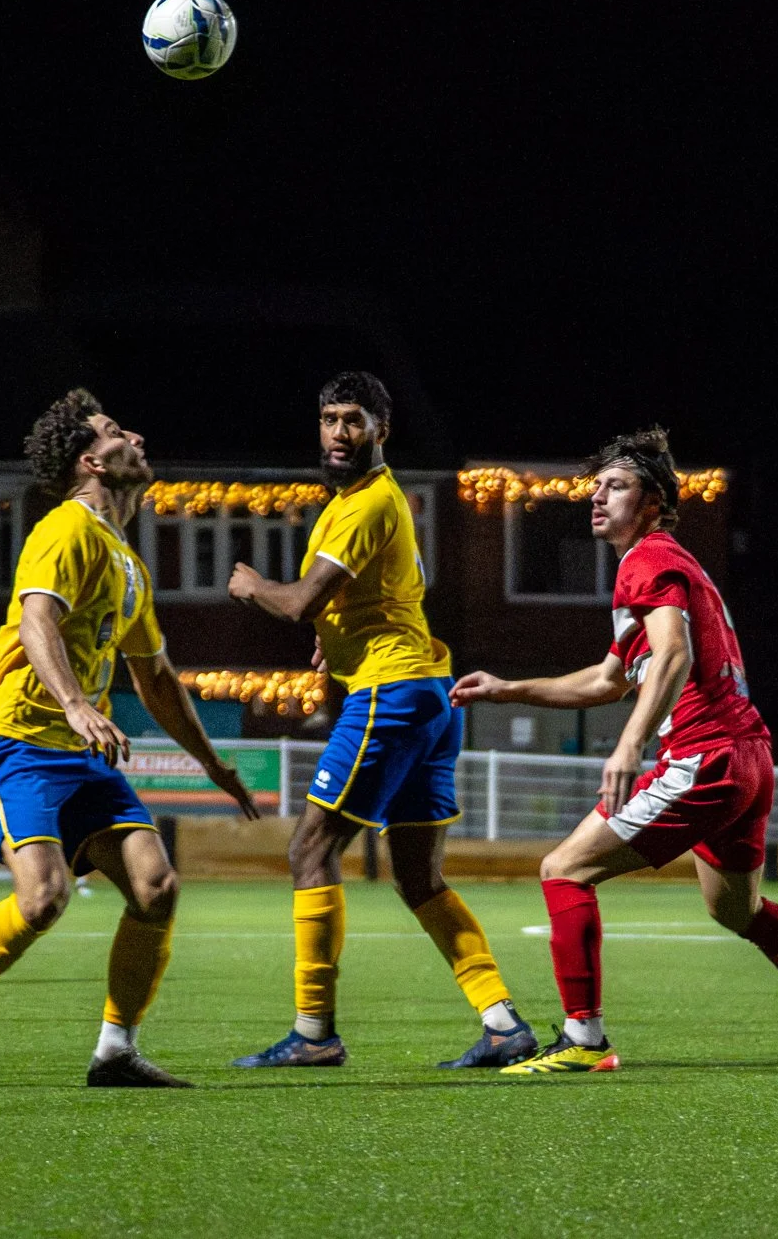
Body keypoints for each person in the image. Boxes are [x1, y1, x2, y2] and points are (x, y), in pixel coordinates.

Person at [453, 428, 778, 1073]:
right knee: (739, 910)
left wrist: (628, 746)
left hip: (704, 758)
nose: (597, 497)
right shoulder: (666, 569)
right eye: (597, 485)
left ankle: (584, 1041)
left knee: (564, 870)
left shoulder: (647, 560)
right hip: (747, 759)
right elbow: (607, 679)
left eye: (617, 486)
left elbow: (676, 656)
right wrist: (507, 688)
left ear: (654, 501)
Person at [0, 389, 260, 1087]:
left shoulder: (127, 562)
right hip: (16, 740)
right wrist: (77, 703)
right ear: (92, 460)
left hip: (77, 753)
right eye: (115, 430)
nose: (134, 433)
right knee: (42, 899)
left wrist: (213, 764)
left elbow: (157, 679)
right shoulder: (66, 529)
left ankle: (116, 1048)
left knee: (156, 885)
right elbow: (36, 621)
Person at [225, 371, 536, 1071]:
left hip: (389, 695)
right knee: (419, 878)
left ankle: (313, 1034)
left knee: (309, 850)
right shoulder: (370, 504)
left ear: (381, 428)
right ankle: (502, 1022)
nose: (339, 432)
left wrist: (252, 587)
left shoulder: (366, 504)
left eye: (353, 419)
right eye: (329, 418)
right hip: (429, 693)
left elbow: (300, 599)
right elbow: (391, 594)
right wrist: (337, 631)